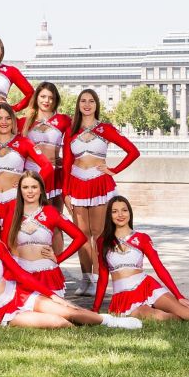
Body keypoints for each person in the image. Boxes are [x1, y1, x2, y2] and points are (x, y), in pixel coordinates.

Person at [0, 203, 140, 329]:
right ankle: (85, 324)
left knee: (68, 310)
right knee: (57, 322)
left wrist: (52, 295)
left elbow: (21, 275)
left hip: (18, 293)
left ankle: (113, 322)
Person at [64, 89, 140, 296]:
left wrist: (114, 170)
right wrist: (65, 193)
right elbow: (67, 163)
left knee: (98, 234)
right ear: (78, 105)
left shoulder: (105, 129)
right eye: (83, 101)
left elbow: (133, 151)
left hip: (100, 184)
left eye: (91, 101)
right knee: (81, 235)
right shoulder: (71, 130)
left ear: (96, 104)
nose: (87, 105)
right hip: (77, 185)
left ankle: (98, 280)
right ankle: (85, 278)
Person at [1, 171, 84, 296]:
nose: (30, 191)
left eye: (34, 187)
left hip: (47, 273)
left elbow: (80, 237)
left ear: (41, 190)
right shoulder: (13, 212)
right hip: (20, 273)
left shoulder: (51, 212)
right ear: (20, 190)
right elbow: (3, 246)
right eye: (25, 187)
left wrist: (59, 258)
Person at [0, 103, 53, 229]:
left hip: (15, 200)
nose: (3, 122)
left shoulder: (24, 142)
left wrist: (28, 184)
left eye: (8, 118)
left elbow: (47, 166)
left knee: (15, 239)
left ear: (13, 121)